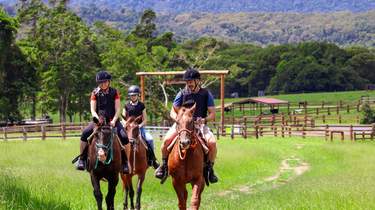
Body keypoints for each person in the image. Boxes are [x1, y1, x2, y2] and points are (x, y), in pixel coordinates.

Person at [155, 68, 218, 184]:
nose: (189, 83)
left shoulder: (205, 94)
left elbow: (213, 114)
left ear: (198, 81)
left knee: (212, 143)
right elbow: (172, 112)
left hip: (199, 125)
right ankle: (163, 166)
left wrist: (204, 119)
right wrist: (178, 119)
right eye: (187, 81)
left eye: (191, 81)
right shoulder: (182, 93)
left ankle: (210, 169)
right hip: (182, 124)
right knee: (166, 141)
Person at [76, 70, 129, 174]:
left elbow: (118, 108)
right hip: (99, 121)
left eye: (105, 82)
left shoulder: (114, 92)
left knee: (124, 137)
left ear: (109, 82)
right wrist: (96, 119)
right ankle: (82, 159)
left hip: (112, 120)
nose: (103, 84)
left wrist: (114, 121)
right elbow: (92, 109)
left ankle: (125, 162)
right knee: (85, 134)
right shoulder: (95, 93)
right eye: (101, 82)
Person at [121, 85, 159, 169]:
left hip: (139, 127)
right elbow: (123, 118)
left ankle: (152, 160)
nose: (133, 97)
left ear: (138, 95)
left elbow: (145, 119)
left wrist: (139, 126)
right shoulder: (126, 106)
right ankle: (120, 160)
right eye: (131, 95)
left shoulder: (142, 105)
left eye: (135, 95)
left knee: (149, 139)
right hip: (128, 128)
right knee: (120, 140)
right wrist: (126, 124)